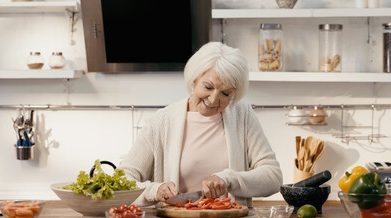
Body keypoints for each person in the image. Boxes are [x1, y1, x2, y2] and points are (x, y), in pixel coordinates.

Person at [119, 41, 282, 207]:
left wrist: (228, 179)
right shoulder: (162, 122)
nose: (213, 99)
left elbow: (273, 176)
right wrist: (155, 190)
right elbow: (123, 179)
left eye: (225, 93)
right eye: (208, 87)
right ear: (195, 78)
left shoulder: (243, 116)